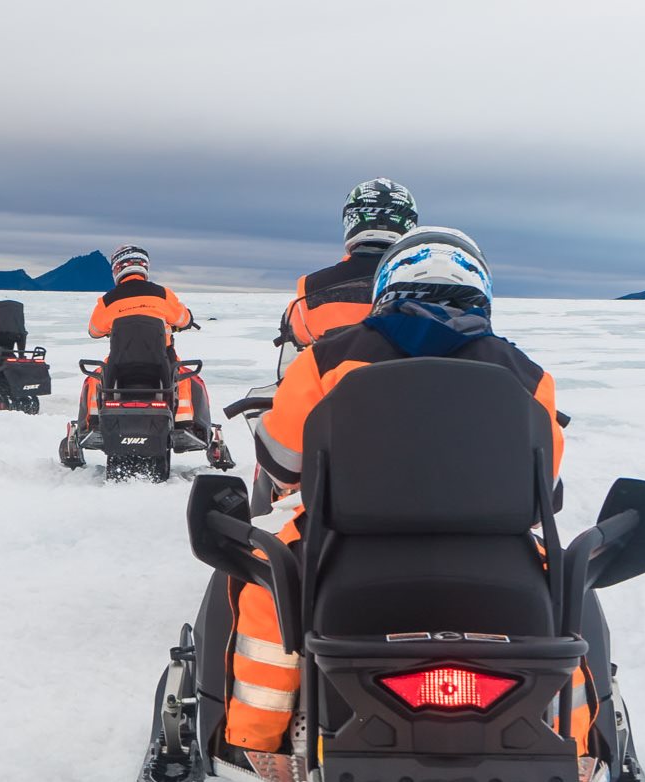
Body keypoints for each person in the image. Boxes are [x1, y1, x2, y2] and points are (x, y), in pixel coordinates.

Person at [224, 227, 586, 765]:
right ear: (481, 291)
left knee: (263, 584)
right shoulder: (527, 374)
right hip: (495, 554)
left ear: (389, 285)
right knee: (568, 606)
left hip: (341, 545)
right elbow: (544, 488)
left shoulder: (326, 358)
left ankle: (259, 745)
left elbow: (282, 461)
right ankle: (574, 750)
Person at [82, 246, 210, 438]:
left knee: (95, 378)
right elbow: (183, 319)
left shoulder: (107, 302)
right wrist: (186, 320)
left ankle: (93, 423)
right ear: (144, 267)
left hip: (120, 363)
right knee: (183, 377)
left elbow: (94, 330)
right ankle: (185, 423)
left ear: (117, 269)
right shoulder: (163, 294)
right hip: (161, 361)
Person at [277, 178, 418, 349]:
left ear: (351, 219)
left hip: (337, 375)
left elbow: (295, 340)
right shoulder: (431, 284)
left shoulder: (311, 289)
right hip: (413, 375)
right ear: (409, 221)